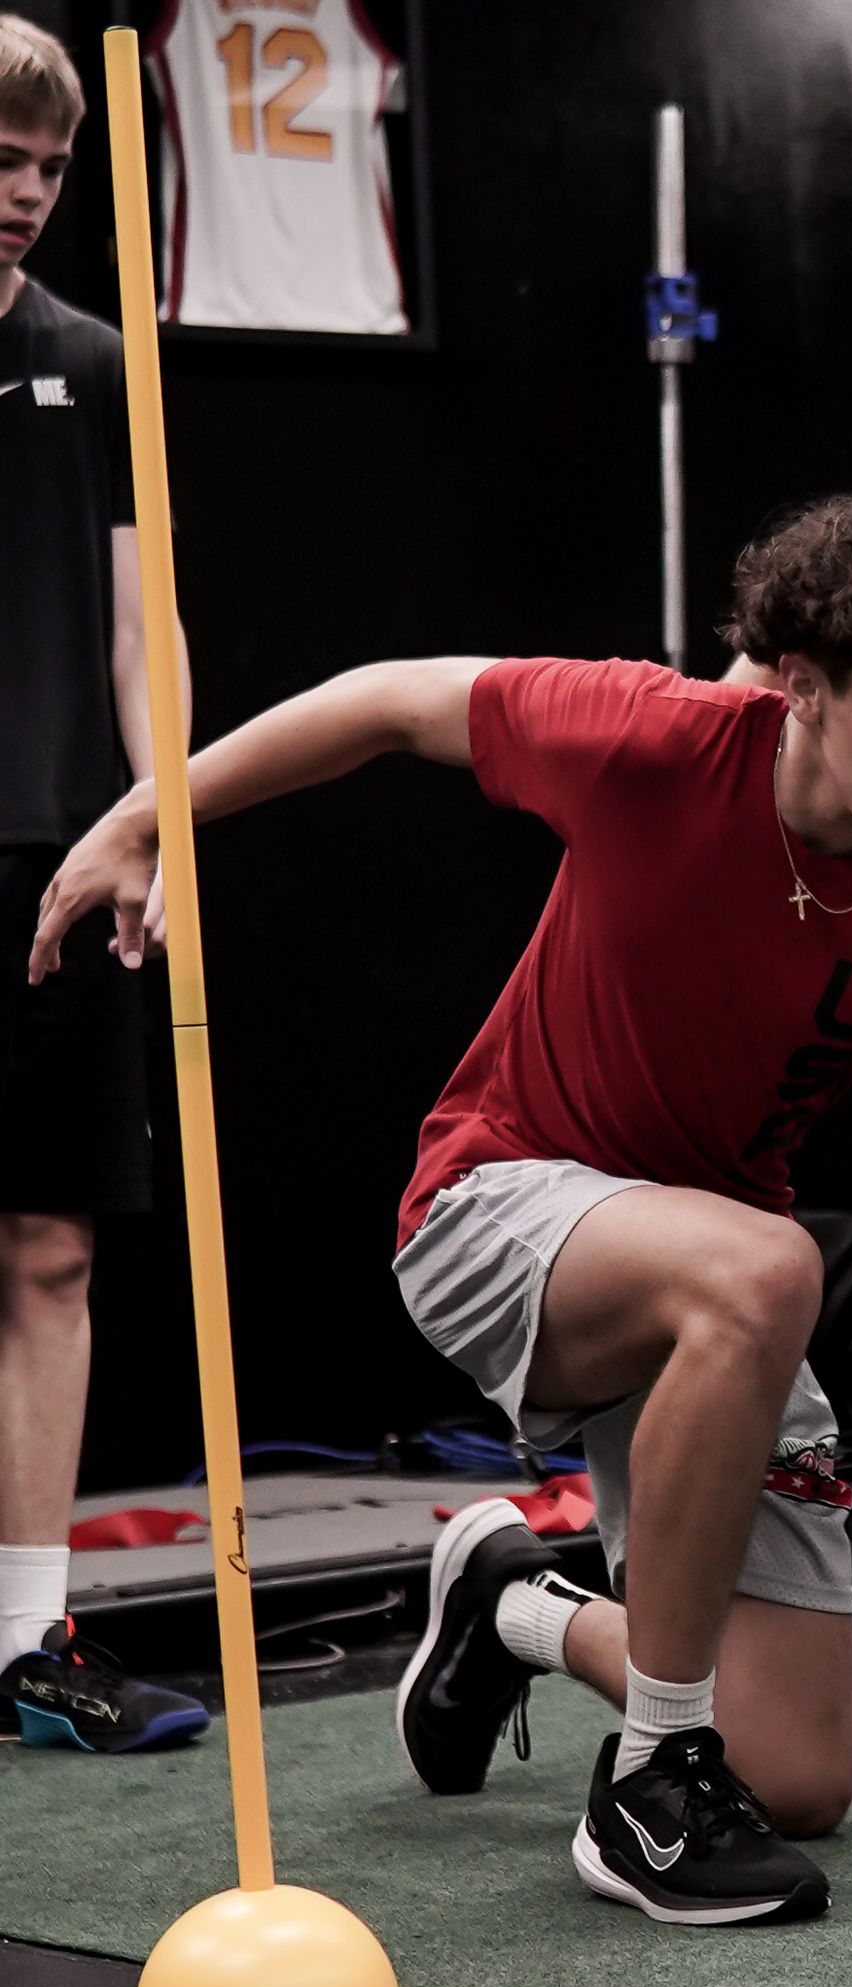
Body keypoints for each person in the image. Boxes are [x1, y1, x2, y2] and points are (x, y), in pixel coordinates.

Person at [34, 492, 852, 1920]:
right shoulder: (654, 743)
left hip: (713, 1297)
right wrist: (154, 812)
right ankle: (645, 1793)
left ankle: (514, 1603)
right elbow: (390, 701)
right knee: (765, 1269)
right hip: (493, 1207)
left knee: (797, 1773)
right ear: (806, 689)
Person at [0, 15, 207, 1753]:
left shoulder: (94, 357)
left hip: (57, 857)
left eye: (49, 167)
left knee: (52, 1252)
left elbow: (144, 625)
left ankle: (25, 1644)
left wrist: (163, 815)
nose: (24, 193)